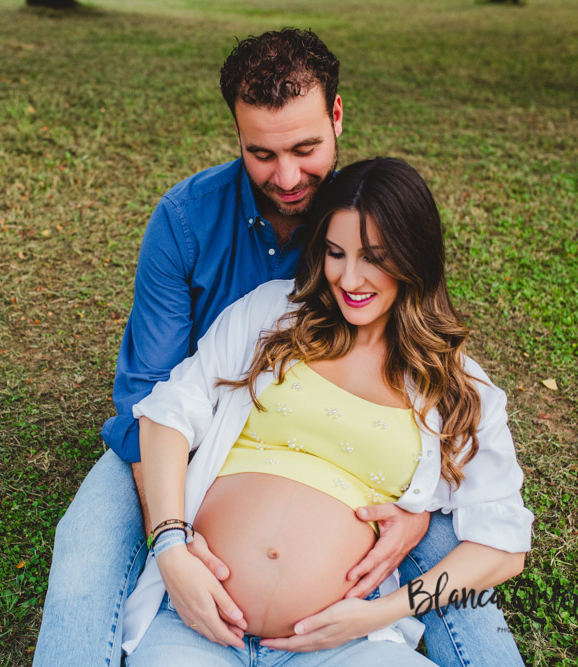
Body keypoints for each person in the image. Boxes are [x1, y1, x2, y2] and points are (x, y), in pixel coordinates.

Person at [34, 29, 523, 666]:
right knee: (84, 555)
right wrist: (172, 536)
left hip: (356, 554)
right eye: (261, 153)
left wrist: (419, 521)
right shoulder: (199, 235)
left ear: (337, 116)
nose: (287, 176)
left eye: (305, 147)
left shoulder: (365, 211)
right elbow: (155, 402)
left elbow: (500, 536)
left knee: (463, 590)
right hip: (200, 455)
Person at [124, 158, 533, 665]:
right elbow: (167, 415)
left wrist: (383, 611)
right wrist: (171, 548)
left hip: (346, 644)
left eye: (374, 258)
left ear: (414, 259)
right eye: (336, 253)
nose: (349, 277)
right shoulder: (273, 314)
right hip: (197, 622)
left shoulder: (457, 387)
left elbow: (502, 549)